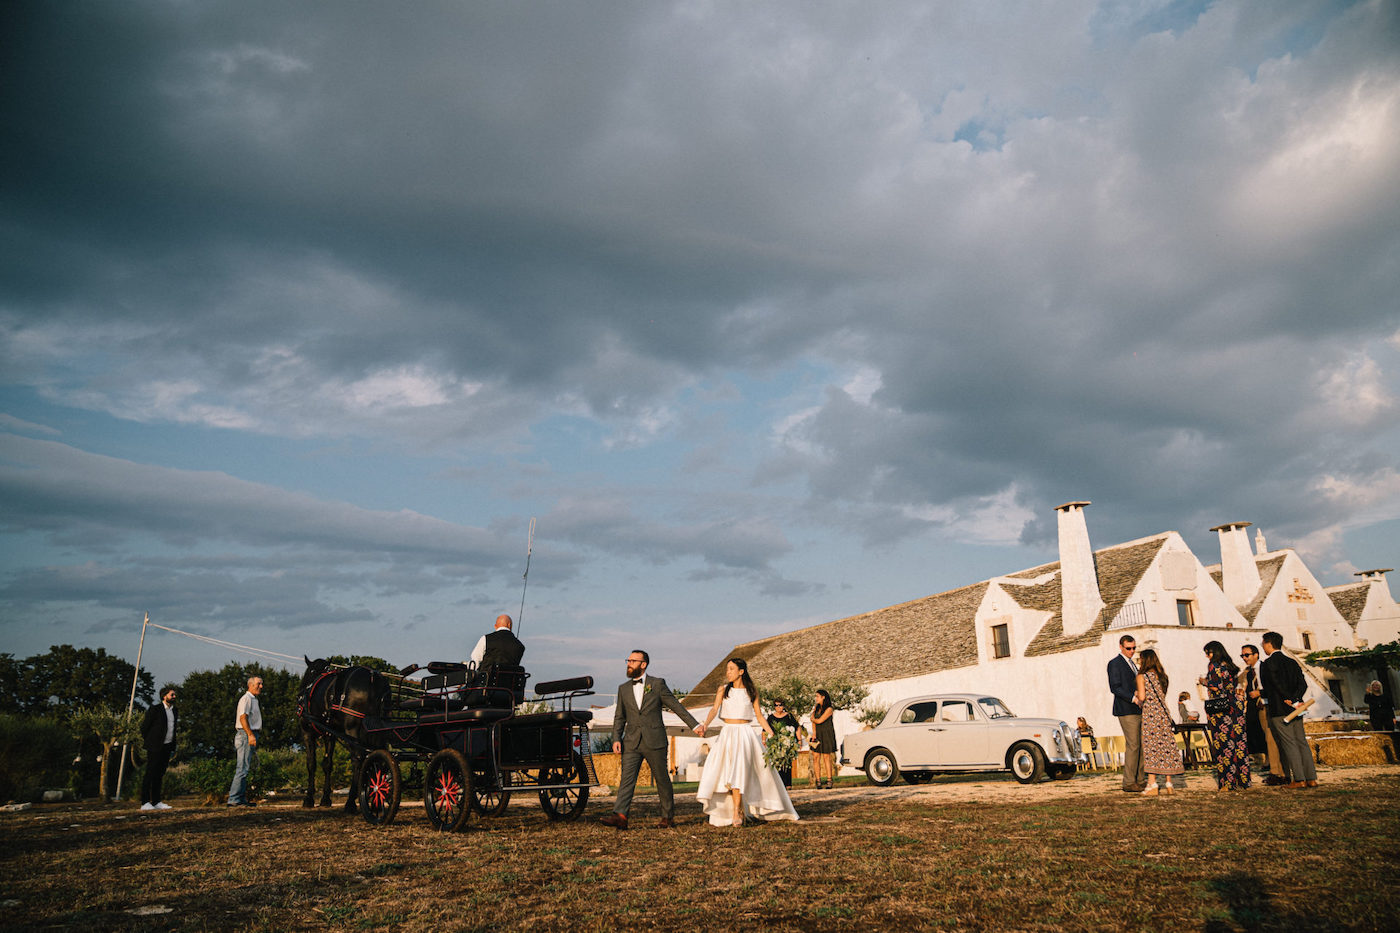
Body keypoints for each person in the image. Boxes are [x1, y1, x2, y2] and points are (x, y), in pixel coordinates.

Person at [600, 649, 700, 829]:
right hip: (631, 741)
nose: (628, 664)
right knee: (627, 779)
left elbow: (676, 706)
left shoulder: (658, 684)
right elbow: (619, 717)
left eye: (632, 661)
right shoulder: (623, 689)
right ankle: (621, 815)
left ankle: (667, 817)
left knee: (662, 780)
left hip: (655, 740)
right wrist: (616, 738)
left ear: (643, 664)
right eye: (628, 660)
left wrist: (695, 725)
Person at [695, 658, 799, 827]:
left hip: (745, 734)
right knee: (725, 773)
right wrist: (705, 724)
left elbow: (759, 716)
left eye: (731, 669)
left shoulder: (752, 691)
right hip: (727, 734)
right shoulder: (723, 690)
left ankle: (737, 811)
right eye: (727, 669)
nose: (727, 672)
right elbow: (714, 709)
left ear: (741, 671)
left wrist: (773, 734)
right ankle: (735, 809)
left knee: (739, 772)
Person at [1260, 632, 1317, 788]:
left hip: (1279, 708)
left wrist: (1288, 698)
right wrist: (1295, 698)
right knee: (1301, 742)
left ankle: (1299, 779)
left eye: (1263, 643)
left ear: (1269, 644)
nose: (1262, 646)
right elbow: (1303, 684)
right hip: (1298, 707)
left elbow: (1273, 684)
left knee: (1289, 743)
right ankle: (1311, 777)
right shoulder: (1292, 662)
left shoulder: (1267, 663)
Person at [1198, 641, 1250, 791]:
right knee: (1239, 743)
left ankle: (1227, 783)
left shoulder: (1214, 666)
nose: (1207, 656)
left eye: (1208, 653)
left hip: (1221, 708)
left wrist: (1203, 681)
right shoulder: (1231, 665)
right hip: (1236, 706)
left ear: (1214, 652)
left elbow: (1215, 686)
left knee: (1224, 745)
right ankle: (1243, 780)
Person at [1134, 648, 1183, 796]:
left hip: (1150, 714)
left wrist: (1136, 695)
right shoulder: (1163, 676)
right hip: (1163, 714)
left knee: (1151, 748)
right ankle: (1169, 783)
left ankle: (1152, 784)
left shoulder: (1142, 676)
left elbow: (1142, 697)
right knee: (1166, 747)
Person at [1107, 634, 1147, 793]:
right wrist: (1133, 698)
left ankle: (1140, 779)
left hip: (1138, 708)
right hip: (1126, 709)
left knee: (1143, 745)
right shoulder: (1114, 663)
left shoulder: (1133, 665)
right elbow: (1115, 687)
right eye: (1129, 648)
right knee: (1133, 745)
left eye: (1134, 648)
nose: (1132, 651)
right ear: (1121, 647)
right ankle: (1129, 782)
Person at [1238, 644, 1283, 783]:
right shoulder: (1247, 673)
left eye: (1247, 655)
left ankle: (1277, 771)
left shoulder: (1265, 667)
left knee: (1271, 737)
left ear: (1256, 654)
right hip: (1255, 708)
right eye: (1242, 656)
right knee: (1263, 737)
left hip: (1268, 705)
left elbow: (1275, 686)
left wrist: (1260, 693)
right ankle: (1272, 767)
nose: (1244, 658)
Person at [139, 685, 178, 811]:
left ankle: (156, 801)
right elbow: (144, 728)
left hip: (167, 746)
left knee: (160, 774)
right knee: (150, 773)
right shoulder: (155, 709)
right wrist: (152, 741)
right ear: (164, 696)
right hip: (155, 747)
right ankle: (145, 801)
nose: (174, 697)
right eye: (172, 694)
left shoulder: (174, 710)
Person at [227, 676, 263, 807]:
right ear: (250, 685)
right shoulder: (246, 699)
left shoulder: (253, 700)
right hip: (245, 734)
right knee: (242, 768)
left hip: (249, 734)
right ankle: (234, 799)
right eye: (258, 684)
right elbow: (243, 718)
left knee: (245, 768)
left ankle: (240, 799)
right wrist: (250, 735)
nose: (261, 686)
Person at [469, 614, 525, 683]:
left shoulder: (486, 639)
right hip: (509, 687)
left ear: (495, 626)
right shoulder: (520, 645)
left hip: (485, 686)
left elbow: (475, 662)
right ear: (509, 625)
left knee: (458, 693)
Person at [765, 699, 803, 787]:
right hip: (775, 743)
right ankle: (779, 785)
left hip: (787, 742)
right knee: (777, 763)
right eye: (776, 705)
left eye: (780, 705)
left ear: (784, 706)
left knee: (787, 763)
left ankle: (788, 784)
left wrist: (799, 740)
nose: (778, 707)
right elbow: (765, 729)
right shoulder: (771, 717)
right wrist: (764, 740)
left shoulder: (789, 716)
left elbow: (797, 728)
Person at [809, 689, 838, 789]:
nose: (816, 698)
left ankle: (829, 780)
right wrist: (814, 733)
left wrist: (814, 719)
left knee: (826, 757)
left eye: (817, 696)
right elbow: (812, 720)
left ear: (823, 697)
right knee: (816, 757)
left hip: (826, 734)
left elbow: (820, 720)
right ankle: (818, 781)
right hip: (817, 734)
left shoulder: (829, 709)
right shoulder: (816, 708)